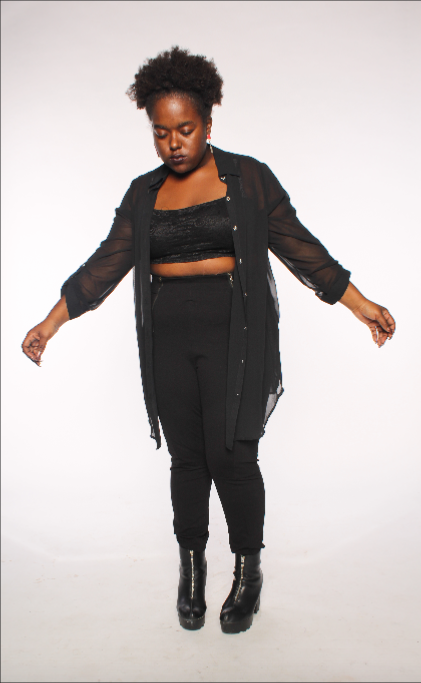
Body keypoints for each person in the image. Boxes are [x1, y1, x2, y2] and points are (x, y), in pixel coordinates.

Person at [21, 46, 396, 635]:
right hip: (168, 332)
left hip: (233, 327)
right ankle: (191, 570)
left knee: (232, 455)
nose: (173, 143)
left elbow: (301, 248)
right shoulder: (143, 194)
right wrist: (50, 323)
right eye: (161, 132)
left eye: (185, 129)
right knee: (187, 458)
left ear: (209, 123)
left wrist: (361, 304)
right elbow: (106, 264)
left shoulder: (248, 178)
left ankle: (248, 571)